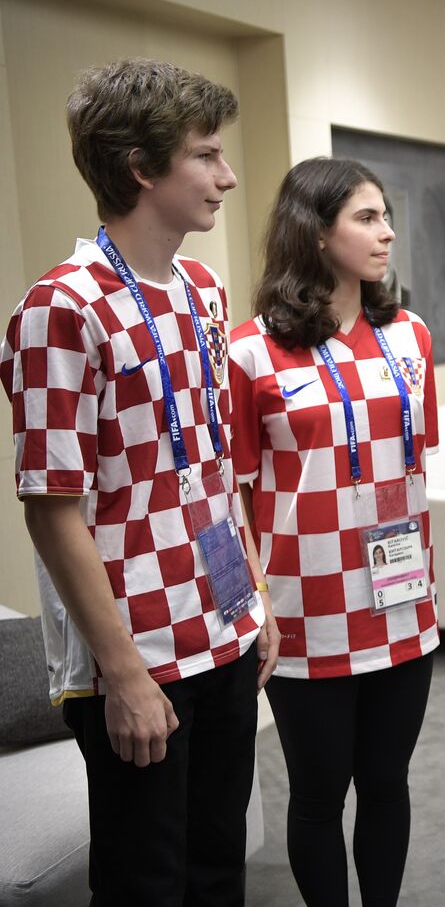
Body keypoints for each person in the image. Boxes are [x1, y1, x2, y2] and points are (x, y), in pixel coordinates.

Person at [0, 58, 277, 905]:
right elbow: (53, 511)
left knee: (217, 867)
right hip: (139, 651)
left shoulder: (200, 287)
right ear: (140, 166)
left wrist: (253, 597)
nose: (227, 176)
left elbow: (212, 470)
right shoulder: (62, 307)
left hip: (222, 624)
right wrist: (121, 675)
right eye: (206, 155)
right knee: (145, 884)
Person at [229, 158, 439, 907]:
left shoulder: (410, 336)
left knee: (388, 783)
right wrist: (252, 606)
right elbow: (237, 494)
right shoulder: (250, 350)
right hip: (303, 608)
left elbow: (415, 466)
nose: (387, 233)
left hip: (403, 595)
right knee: (319, 795)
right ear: (316, 233)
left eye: (385, 217)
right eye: (366, 217)